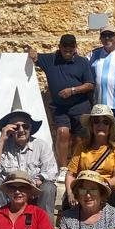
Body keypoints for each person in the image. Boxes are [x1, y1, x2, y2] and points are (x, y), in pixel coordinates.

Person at [28, 35, 95, 175]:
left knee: (79, 137)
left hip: (80, 105)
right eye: (65, 47)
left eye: (71, 47)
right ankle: (63, 168)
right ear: (60, 47)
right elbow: (35, 56)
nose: (68, 50)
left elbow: (90, 85)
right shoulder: (51, 60)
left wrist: (72, 90)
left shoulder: (82, 62)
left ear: (75, 47)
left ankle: (76, 167)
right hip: (60, 107)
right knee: (62, 133)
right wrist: (32, 52)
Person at [0, 110, 58, 212]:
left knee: (49, 187)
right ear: (10, 129)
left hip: (33, 193)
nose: (21, 130)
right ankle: (1, 222)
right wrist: (2, 139)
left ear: (30, 128)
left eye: (25, 126)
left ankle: (45, 227)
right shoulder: (3, 146)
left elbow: (52, 171)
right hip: (10, 194)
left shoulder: (41, 145)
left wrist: (38, 180)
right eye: (16, 127)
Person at [64, 104, 115, 214]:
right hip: (85, 190)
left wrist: (100, 187)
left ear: (110, 126)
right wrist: (70, 192)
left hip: (108, 190)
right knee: (69, 206)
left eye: (105, 122)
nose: (100, 125)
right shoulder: (81, 146)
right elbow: (70, 174)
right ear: (91, 126)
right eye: (96, 121)